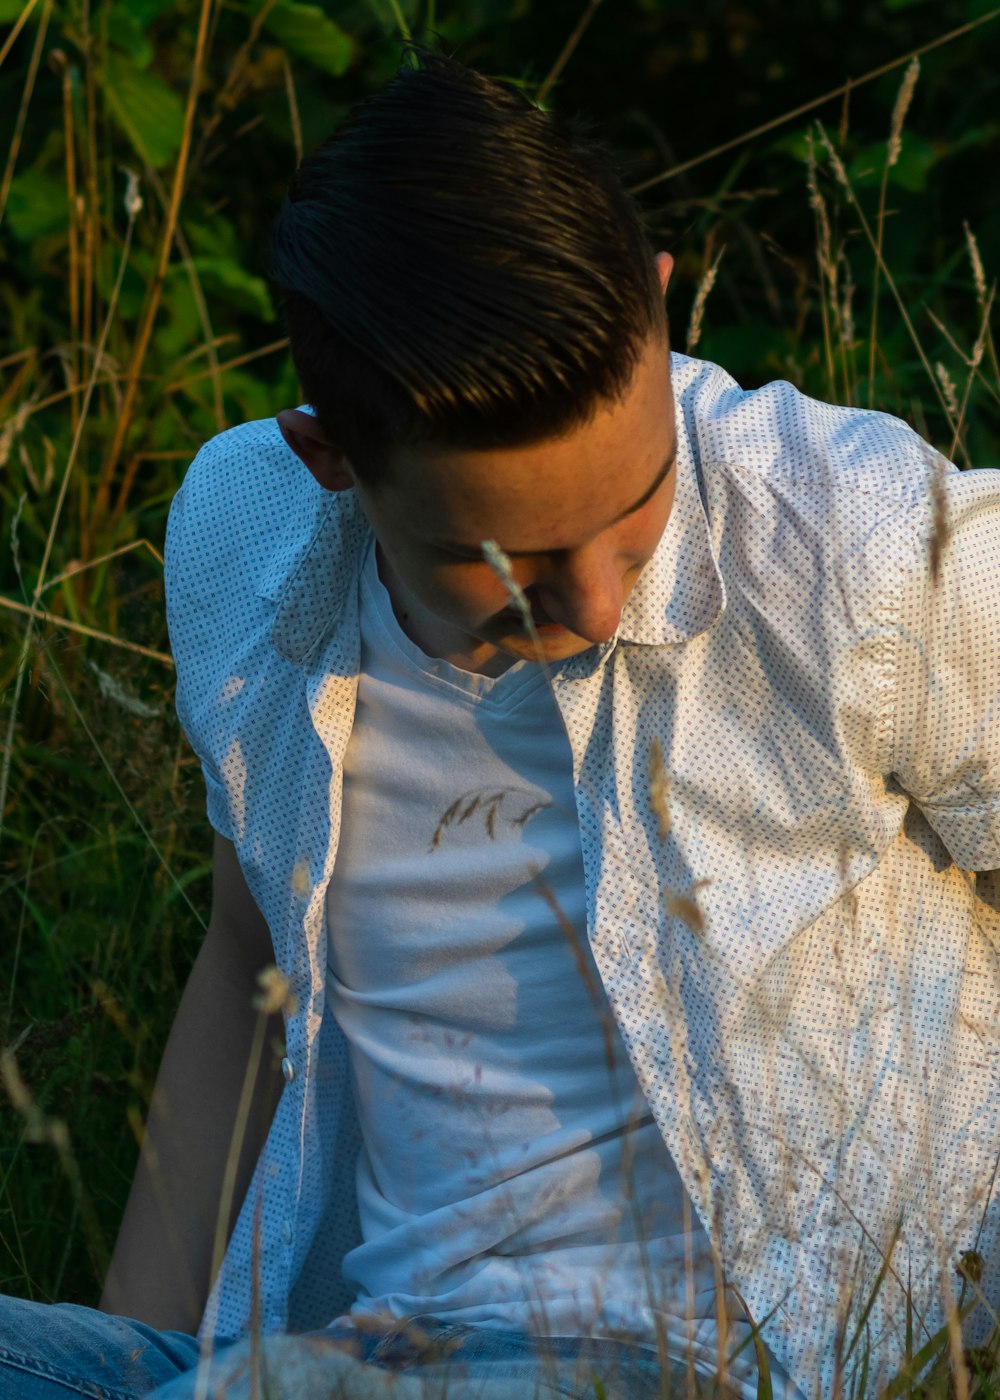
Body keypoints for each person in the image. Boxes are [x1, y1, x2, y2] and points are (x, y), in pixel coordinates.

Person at [3, 40, 999, 1400]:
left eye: (634, 511)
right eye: (509, 564)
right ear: (334, 459)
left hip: (706, 1366)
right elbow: (250, 966)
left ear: (656, 306)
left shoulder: (865, 541)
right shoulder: (245, 524)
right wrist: (138, 1356)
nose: (592, 605)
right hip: (348, 1349)